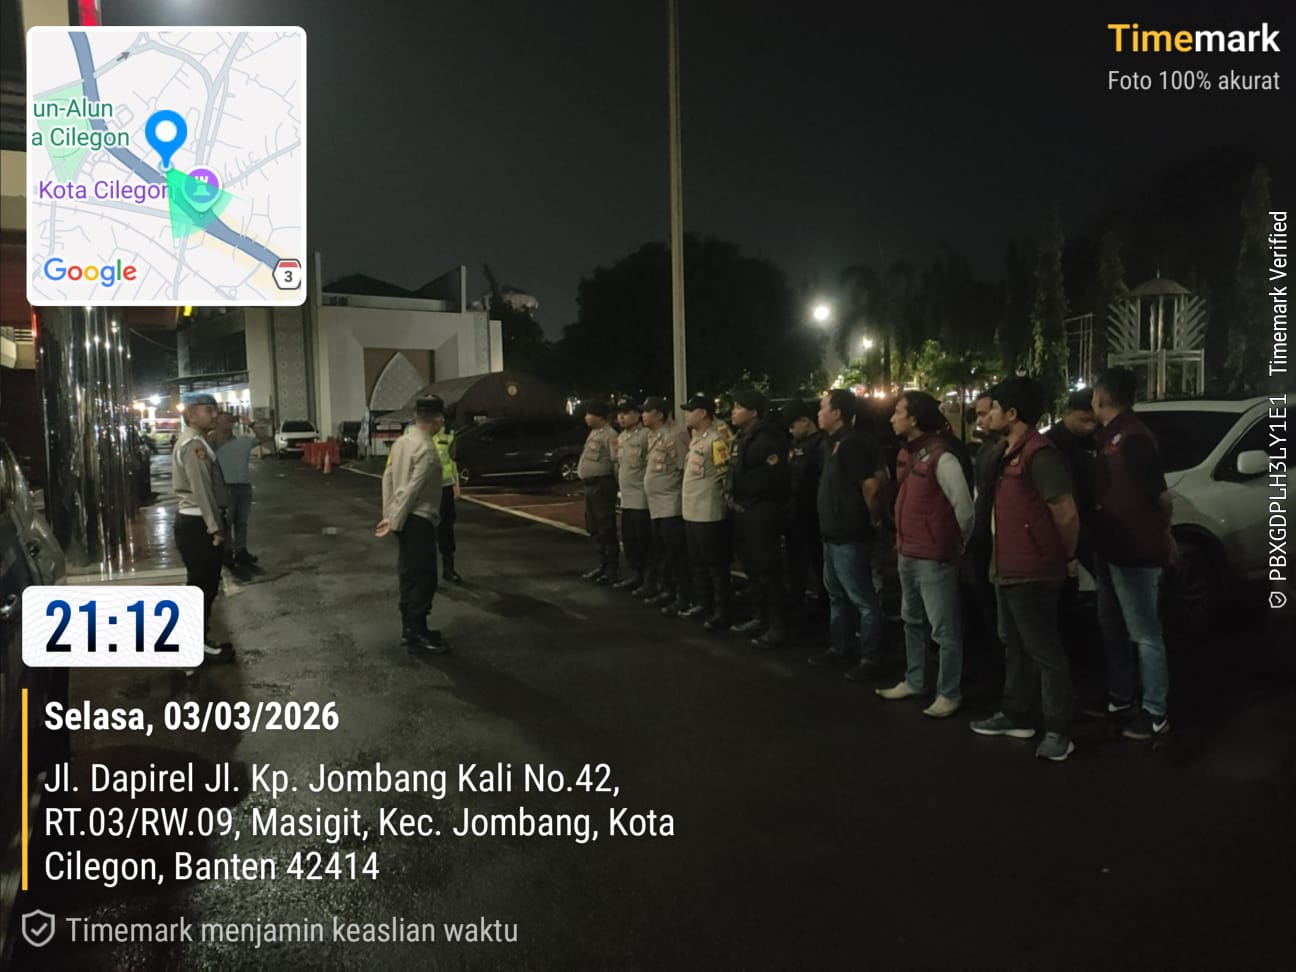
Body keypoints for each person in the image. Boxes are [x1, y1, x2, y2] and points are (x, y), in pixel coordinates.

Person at [969, 377, 1080, 761]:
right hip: (1007, 565)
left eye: (994, 408)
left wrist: (1066, 556)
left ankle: (1059, 730)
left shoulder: (1039, 454)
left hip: (1033, 569)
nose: (987, 416)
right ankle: (1016, 713)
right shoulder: (1006, 452)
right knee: (1014, 644)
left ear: (1012, 413)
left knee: (1044, 650)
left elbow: (1065, 512)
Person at [876, 392, 975, 717]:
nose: (892, 418)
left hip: (934, 557)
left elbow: (965, 509)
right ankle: (915, 680)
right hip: (907, 552)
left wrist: (953, 544)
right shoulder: (907, 453)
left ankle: (949, 693)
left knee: (944, 630)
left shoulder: (942, 457)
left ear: (914, 418)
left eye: (898, 412)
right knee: (912, 621)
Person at [1091, 367, 1174, 740]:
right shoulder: (1111, 435)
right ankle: (1120, 698)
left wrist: (1158, 537)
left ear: (1100, 397)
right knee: (1114, 627)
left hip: (1135, 551)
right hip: (1111, 549)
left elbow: (1161, 498)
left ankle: (1155, 712)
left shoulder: (1134, 438)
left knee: (1145, 633)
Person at [809, 389, 890, 681]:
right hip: (833, 535)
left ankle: (870, 657)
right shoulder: (833, 443)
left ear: (837, 413)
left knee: (863, 599)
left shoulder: (851, 444)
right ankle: (840, 648)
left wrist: (874, 518)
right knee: (837, 596)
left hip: (850, 535)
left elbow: (871, 486)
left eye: (822, 408)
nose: (818, 413)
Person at [375, 397, 447, 658]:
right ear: (437, 419)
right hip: (418, 518)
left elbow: (388, 479)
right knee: (423, 576)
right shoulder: (426, 449)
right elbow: (412, 489)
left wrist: (389, 515)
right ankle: (418, 631)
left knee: (408, 573)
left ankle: (409, 627)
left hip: (403, 517)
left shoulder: (401, 443)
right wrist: (395, 521)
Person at [172, 392, 234, 666]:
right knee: (202, 587)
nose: (214, 415)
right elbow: (202, 490)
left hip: (196, 522)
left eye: (215, 409)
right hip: (198, 524)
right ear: (191, 414)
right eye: (208, 410)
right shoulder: (193, 445)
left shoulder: (197, 440)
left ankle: (196, 641)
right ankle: (195, 646)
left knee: (202, 585)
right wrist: (215, 527)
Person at [727, 388, 792, 648]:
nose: (733, 411)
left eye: (738, 407)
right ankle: (759, 617)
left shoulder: (767, 440)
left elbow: (773, 479)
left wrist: (746, 493)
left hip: (761, 512)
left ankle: (777, 625)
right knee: (752, 569)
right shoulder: (742, 437)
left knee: (768, 570)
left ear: (753, 412)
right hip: (743, 511)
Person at [681, 393, 733, 630]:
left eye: (690, 411)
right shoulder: (696, 440)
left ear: (703, 413)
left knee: (716, 566)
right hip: (692, 512)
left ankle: (722, 610)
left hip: (709, 514)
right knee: (697, 564)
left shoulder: (716, 440)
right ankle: (704, 604)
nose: (686, 415)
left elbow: (725, 477)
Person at [641, 397, 693, 614]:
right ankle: (667, 589)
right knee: (662, 552)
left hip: (671, 505)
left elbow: (683, 468)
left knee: (676, 554)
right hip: (656, 505)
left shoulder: (675, 436)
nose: (643, 415)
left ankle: (684, 595)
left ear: (660, 415)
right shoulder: (653, 435)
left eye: (647, 411)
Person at [208, 411, 273, 568]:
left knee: (241, 522)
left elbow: (264, 438)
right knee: (227, 521)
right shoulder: (212, 444)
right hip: (225, 487)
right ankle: (227, 551)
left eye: (229, 421)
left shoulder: (242, 441)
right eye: (222, 421)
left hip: (243, 486)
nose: (226, 424)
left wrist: (251, 424)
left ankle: (240, 550)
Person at [1046, 389, 1098, 573]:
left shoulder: (1097, 438)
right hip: (1069, 522)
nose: (1089, 426)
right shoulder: (1052, 444)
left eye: (1093, 421)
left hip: (1095, 521)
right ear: (1067, 413)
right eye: (1083, 420)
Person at [784, 400, 826, 611]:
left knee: (818, 560)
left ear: (805, 421)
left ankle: (823, 604)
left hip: (813, 513)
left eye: (793, 425)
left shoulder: (821, 444)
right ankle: (797, 599)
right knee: (795, 560)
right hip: (795, 512)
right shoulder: (794, 444)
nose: (790, 431)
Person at [578, 400, 620, 584]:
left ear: (600, 417)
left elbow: (616, 461)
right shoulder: (594, 433)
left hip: (602, 485)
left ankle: (612, 569)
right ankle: (602, 565)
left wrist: (617, 486)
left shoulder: (610, 435)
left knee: (605, 526)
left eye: (590, 414)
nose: (586, 417)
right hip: (590, 486)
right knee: (593, 526)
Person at [613, 398, 652, 592]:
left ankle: (649, 580)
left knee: (644, 542)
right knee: (630, 541)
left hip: (641, 499)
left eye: (626, 413)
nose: (621, 417)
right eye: (619, 413)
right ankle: (637, 575)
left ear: (637, 415)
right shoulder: (621, 437)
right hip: (626, 499)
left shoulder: (645, 435)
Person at [432, 414, 464, 583]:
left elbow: (452, 461)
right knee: (426, 531)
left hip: (445, 488)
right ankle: (428, 573)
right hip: (424, 490)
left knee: (446, 529)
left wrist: (456, 485)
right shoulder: (414, 433)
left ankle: (449, 569)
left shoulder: (449, 435)